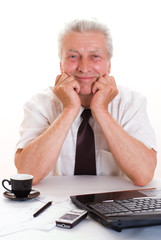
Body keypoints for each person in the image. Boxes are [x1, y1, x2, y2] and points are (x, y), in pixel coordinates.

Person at [14, 19, 157, 186]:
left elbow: (144, 175)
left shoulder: (131, 102)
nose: (84, 67)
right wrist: (69, 109)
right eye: (73, 56)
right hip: (55, 205)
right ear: (61, 65)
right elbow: (27, 174)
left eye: (95, 56)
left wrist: (101, 111)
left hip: (114, 204)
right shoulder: (40, 104)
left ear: (108, 65)